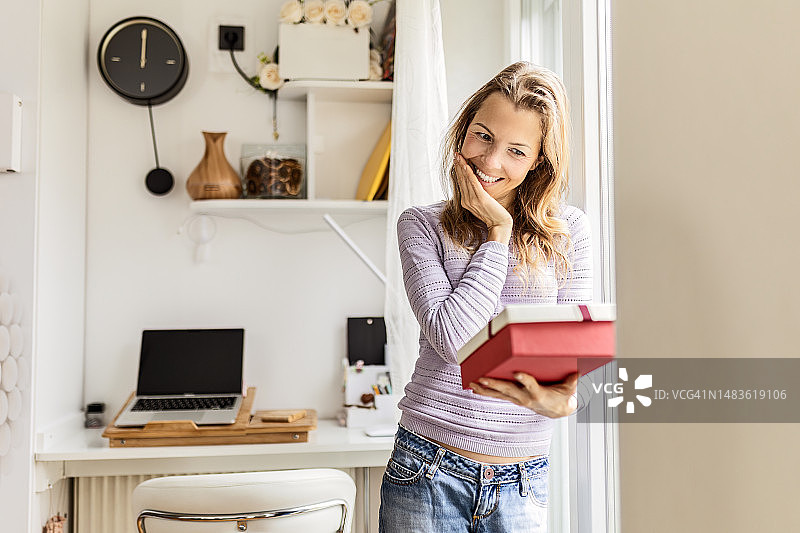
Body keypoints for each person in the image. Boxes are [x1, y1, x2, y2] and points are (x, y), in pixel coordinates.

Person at [378, 62, 592, 532]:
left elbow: (574, 361)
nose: (491, 162)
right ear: (462, 134)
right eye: (483, 137)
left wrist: (567, 403)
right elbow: (454, 342)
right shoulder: (421, 225)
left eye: (517, 150)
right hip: (426, 468)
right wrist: (498, 233)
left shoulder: (569, 231)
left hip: (524, 478)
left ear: (538, 160)